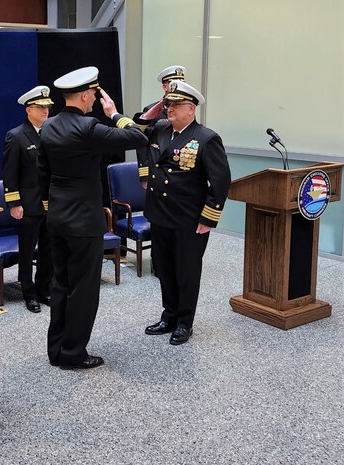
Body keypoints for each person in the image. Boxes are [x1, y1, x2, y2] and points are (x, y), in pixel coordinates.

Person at [38, 66, 148, 370]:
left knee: (60, 284)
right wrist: (114, 113)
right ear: (86, 95)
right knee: (84, 289)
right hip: (84, 222)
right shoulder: (88, 127)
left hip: (57, 218)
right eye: (94, 96)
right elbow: (137, 137)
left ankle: (57, 349)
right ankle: (74, 354)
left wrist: (51, 206)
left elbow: (42, 171)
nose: (94, 101)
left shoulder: (48, 126)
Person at [135, 80, 231, 345]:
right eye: (168, 104)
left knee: (186, 272)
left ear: (191, 109)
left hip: (188, 218)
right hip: (160, 214)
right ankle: (169, 315)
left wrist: (208, 218)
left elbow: (220, 182)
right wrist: (150, 113)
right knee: (164, 269)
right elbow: (137, 133)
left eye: (176, 105)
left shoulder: (205, 138)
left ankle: (185, 322)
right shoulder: (161, 130)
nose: (170, 109)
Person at [2, 85, 54, 313]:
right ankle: (29, 292)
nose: (46, 112)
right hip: (28, 204)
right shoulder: (16, 136)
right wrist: (14, 203)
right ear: (28, 110)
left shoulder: (52, 132)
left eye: (47, 108)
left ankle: (44, 289)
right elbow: (9, 173)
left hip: (50, 203)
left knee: (48, 249)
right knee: (27, 251)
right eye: (41, 108)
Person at [136, 65, 187, 186]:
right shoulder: (152, 110)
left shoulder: (186, 110)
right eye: (173, 83)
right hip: (158, 169)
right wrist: (145, 175)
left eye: (181, 83)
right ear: (164, 86)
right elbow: (142, 142)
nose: (178, 86)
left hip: (180, 170)